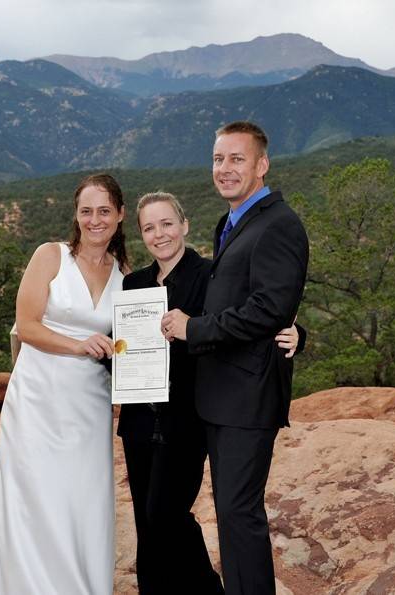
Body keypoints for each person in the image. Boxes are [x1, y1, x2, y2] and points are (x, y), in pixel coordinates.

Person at [119, 192, 304, 595]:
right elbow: (125, 347)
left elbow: (251, 318)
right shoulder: (132, 284)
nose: (159, 234)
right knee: (147, 524)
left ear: (184, 225)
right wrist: (108, 349)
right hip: (138, 416)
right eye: (149, 227)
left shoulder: (209, 276)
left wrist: (296, 333)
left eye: (167, 223)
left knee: (166, 513)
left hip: (188, 414)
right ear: (141, 236)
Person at [162, 121, 309, 595]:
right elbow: (251, 300)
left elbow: (269, 309)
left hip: (247, 397)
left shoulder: (279, 224)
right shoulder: (232, 222)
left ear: (261, 165)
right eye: (218, 159)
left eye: (236, 159)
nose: (224, 169)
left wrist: (195, 328)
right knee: (231, 512)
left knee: (240, 515)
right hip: (220, 394)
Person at [0, 173, 127, 595]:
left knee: (82, 501)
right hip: (38, 401)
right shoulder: (51, 256)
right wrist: (79, 346)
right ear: (76, 216)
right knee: (35, 498)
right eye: (86, 211)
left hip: (89, 406)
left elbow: (128, 339)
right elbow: (26, 326)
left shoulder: (124, 273)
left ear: (120, 215)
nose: (95, 220)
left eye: (104, 211)